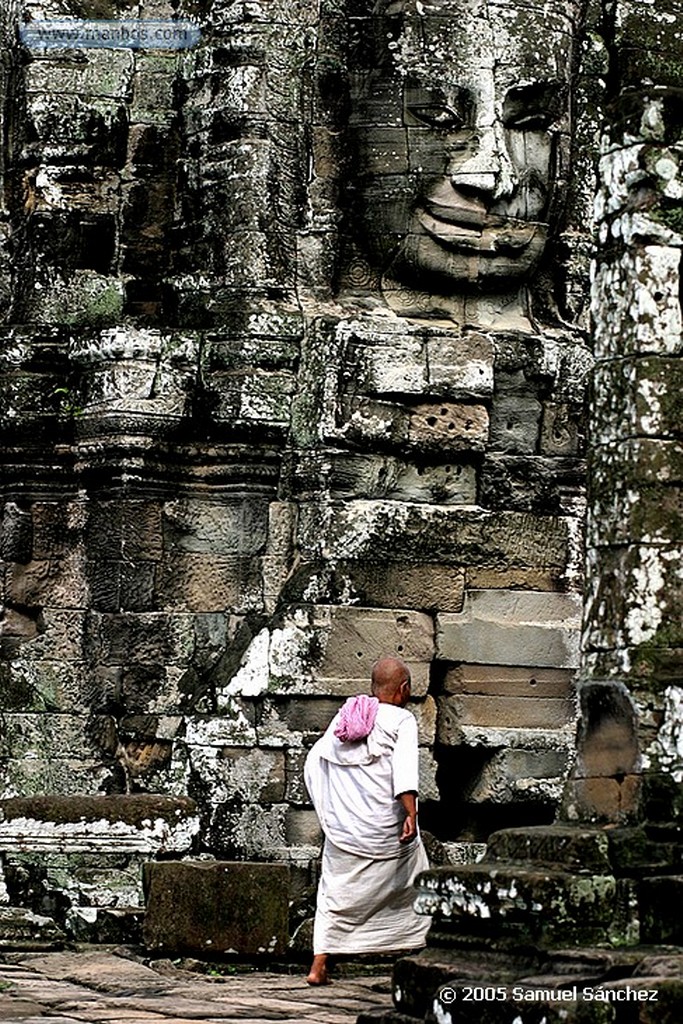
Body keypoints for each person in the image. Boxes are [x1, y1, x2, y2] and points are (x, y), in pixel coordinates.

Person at [304, 656, 431, 985]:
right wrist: (411, 815)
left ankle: (318, 966)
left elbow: (314, 762)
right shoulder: (401, 720)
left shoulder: (346, 717)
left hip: (345, 830)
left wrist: (332, 812)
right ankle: (417, 951)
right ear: (403, 690)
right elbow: (404, 772)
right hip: (382, 829)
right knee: (416, 878)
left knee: (334, 892)